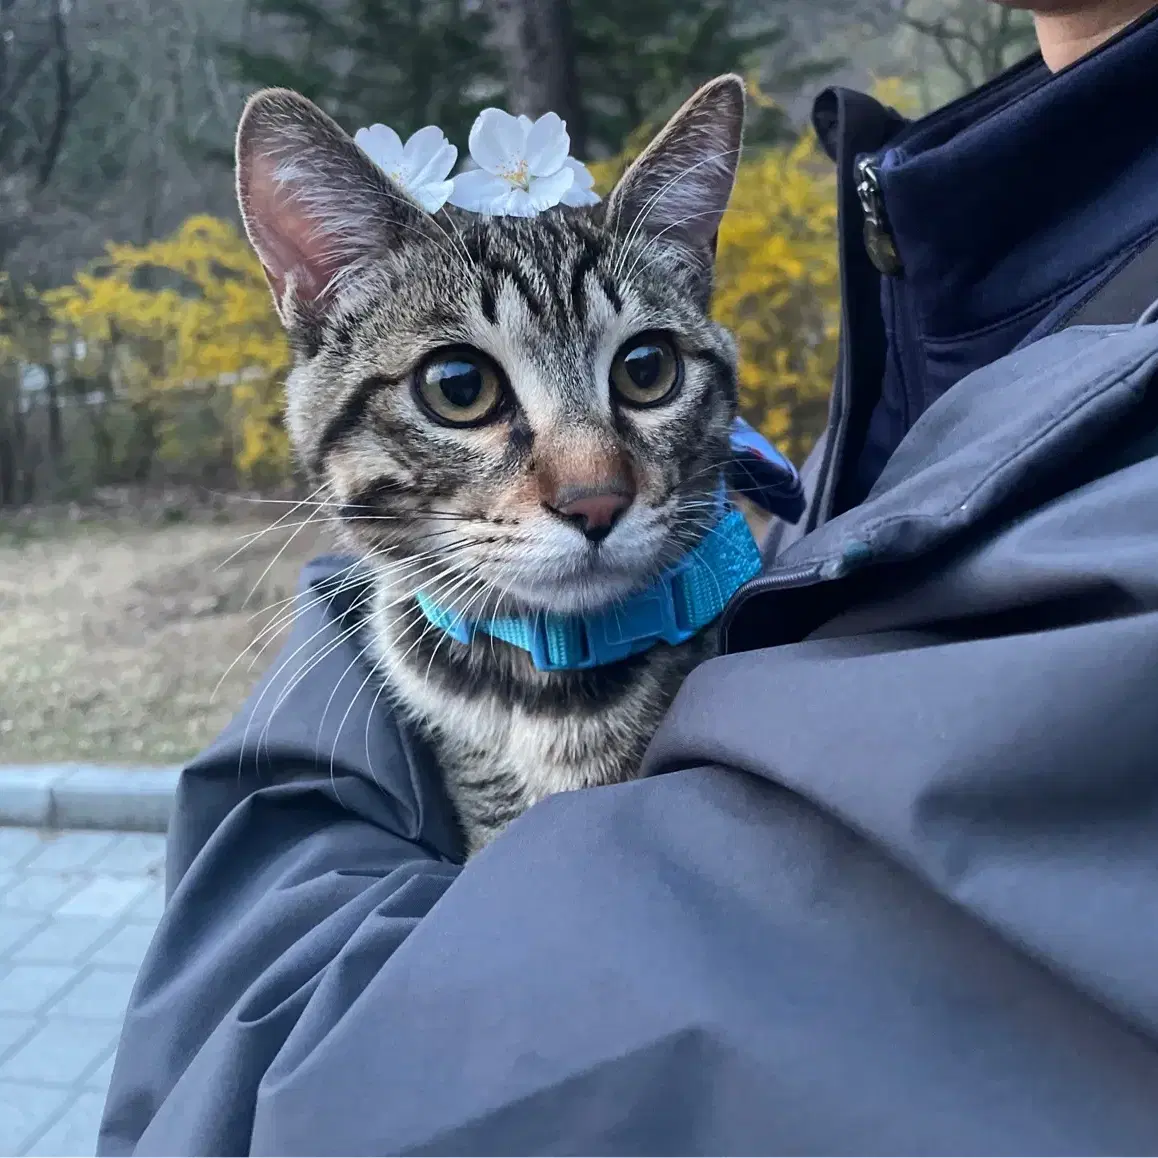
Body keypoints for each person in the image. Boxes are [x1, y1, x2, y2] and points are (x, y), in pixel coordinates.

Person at [99, 1, 1158, 1152]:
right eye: (465, 389)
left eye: (644, 369)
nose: (590, 482)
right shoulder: (964, 253)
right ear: (314, 292)